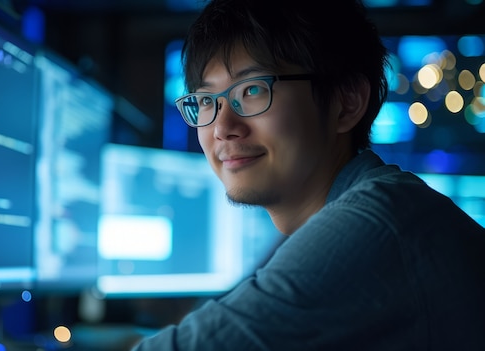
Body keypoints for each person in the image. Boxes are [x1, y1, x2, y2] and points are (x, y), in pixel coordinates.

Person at [131, 0, 485, 350]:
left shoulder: (376, 220)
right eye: (207, 100)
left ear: (346, 102)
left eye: (252, 89)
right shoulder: (352, 207)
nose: (222, 127)